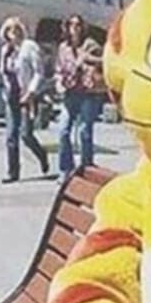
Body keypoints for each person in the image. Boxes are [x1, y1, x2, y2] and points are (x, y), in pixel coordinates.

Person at [0, 17, 50, 183]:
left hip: (26, 96)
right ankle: (13, 172)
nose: (13, 33)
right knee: (10, 135)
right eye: (9, 30)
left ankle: (42, 155)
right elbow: (3, 72)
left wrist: (31, 92)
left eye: (16, 29)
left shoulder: (29, 47)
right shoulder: (6, 50)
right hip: (11, 96)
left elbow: (39, 71)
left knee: (26, 135)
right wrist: (5, 89)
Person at [55, 14, 106, 179]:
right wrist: (59, 83)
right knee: (63, 131)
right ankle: (66, 169)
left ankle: (86, 167)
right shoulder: (63, 47)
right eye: (71, 24)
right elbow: (59, 69)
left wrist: (87, 58)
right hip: (69, 92)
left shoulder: (90, 44)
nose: (75, 28)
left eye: (78, 25)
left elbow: (105, 60)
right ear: (67, 27)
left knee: (85, 131)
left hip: (88, 93)